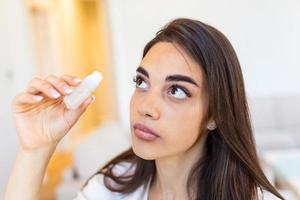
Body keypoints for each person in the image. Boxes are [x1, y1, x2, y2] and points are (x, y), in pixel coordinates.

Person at [4, 18, 285, 200]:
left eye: (176, 90)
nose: (145, 107)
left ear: (215, 114)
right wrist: (35, 149)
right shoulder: (109, 189)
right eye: (141, 82)